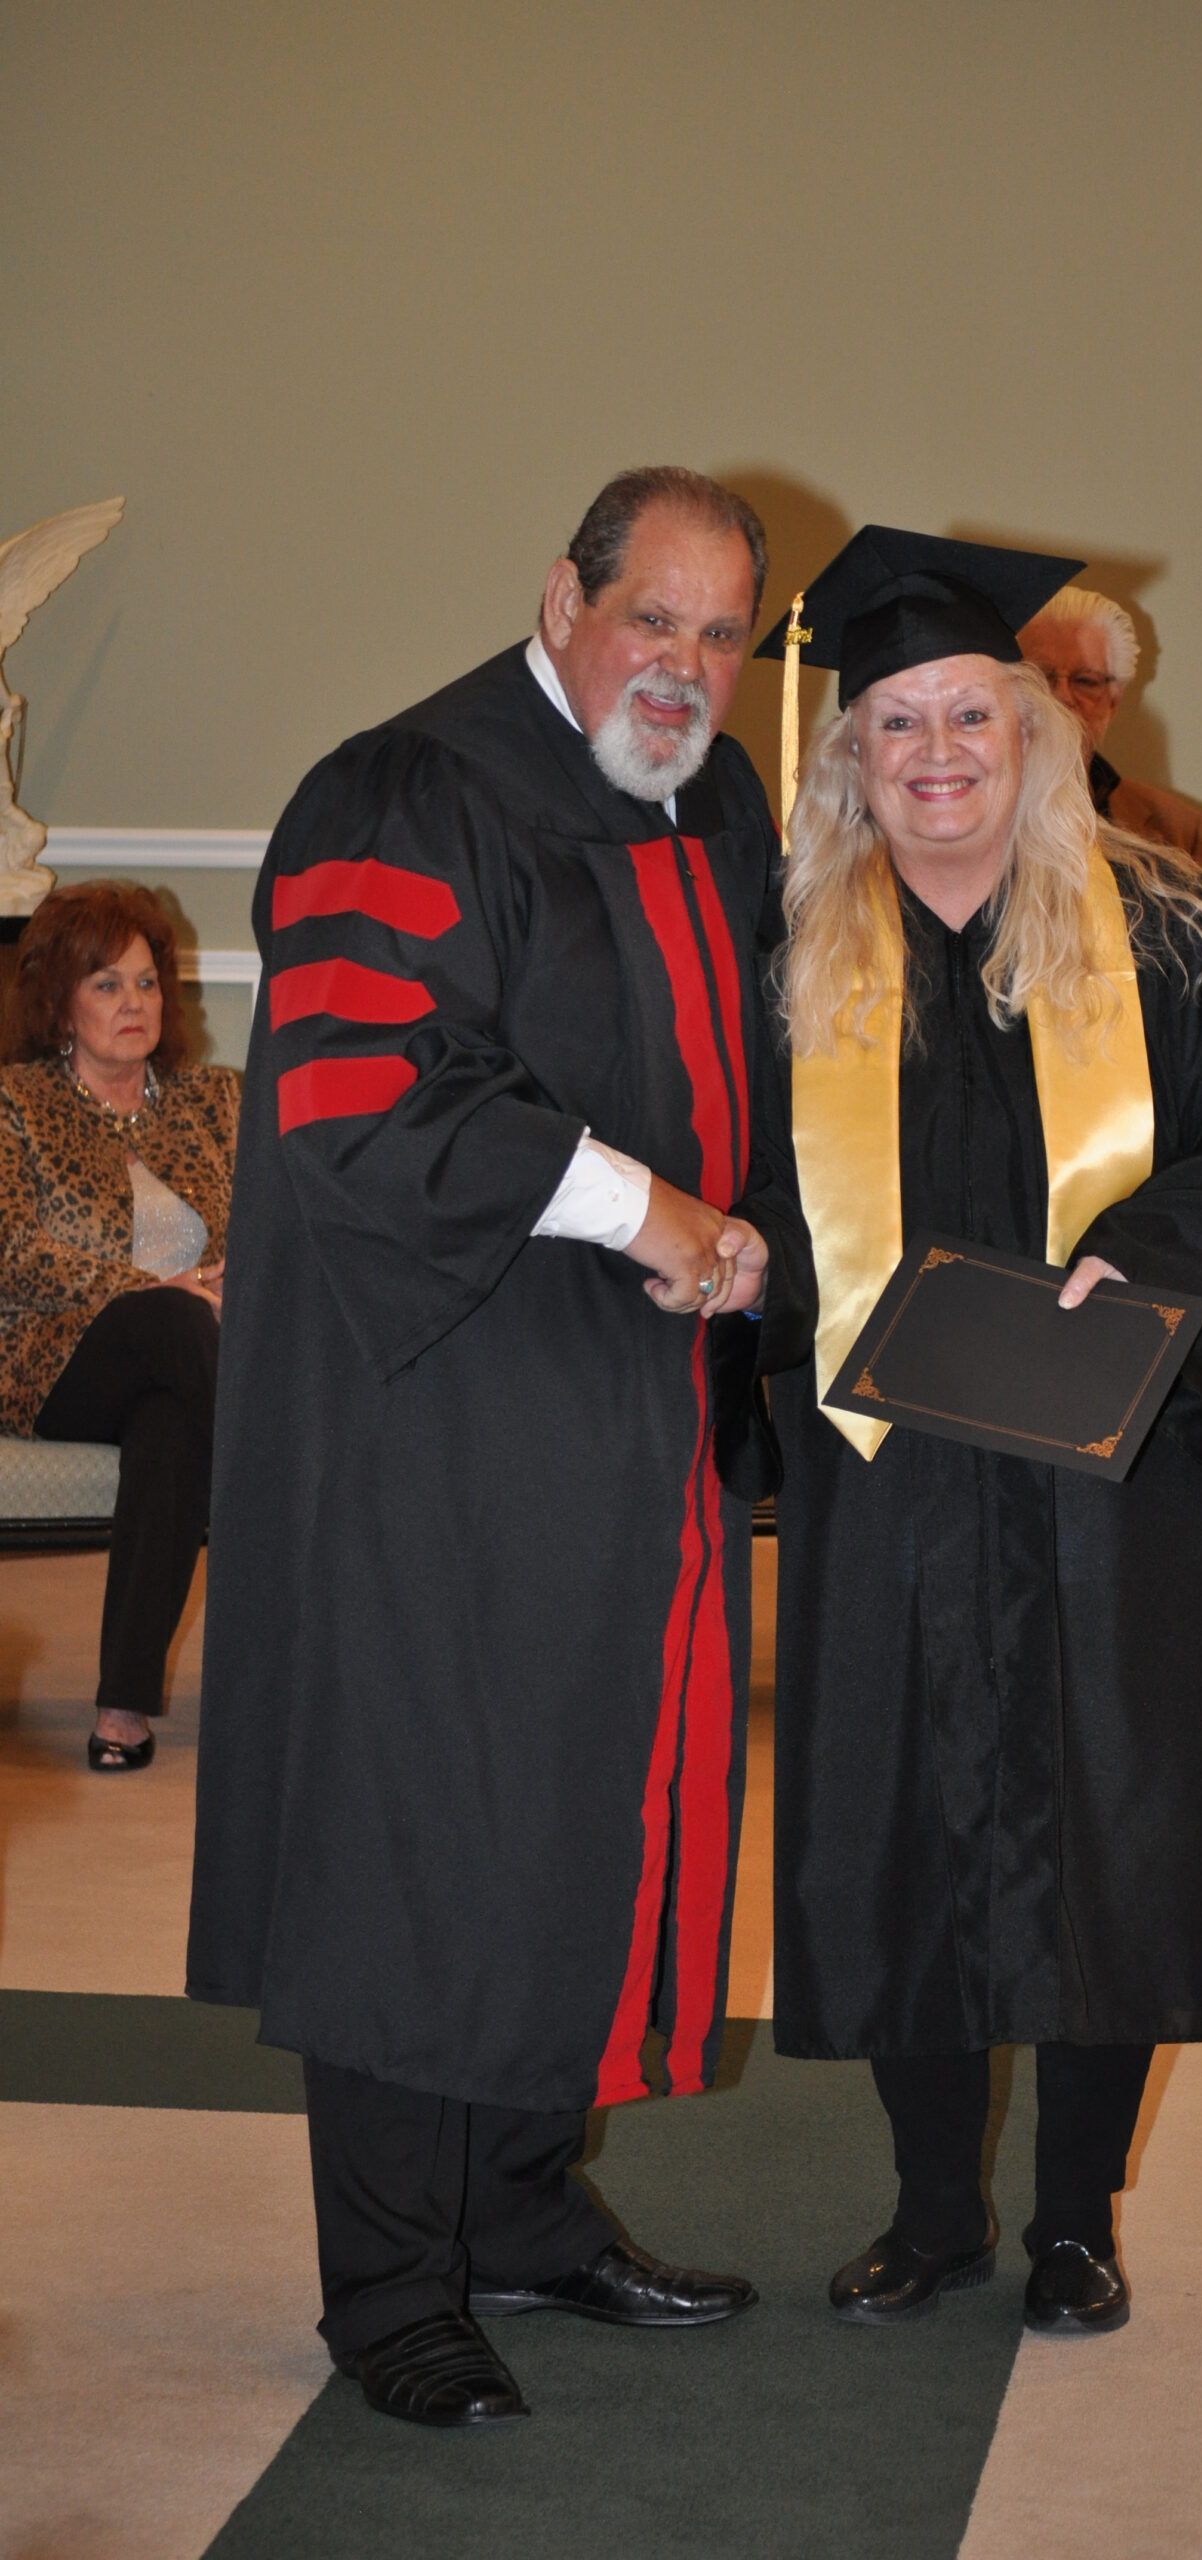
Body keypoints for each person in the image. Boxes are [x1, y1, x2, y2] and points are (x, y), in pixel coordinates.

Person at [187, 468, 807, 2430]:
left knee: (583, 1802)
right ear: (562, 596)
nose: (687, 669)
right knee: (418, 1830)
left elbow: (747, 1070)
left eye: (725, 636)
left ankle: (529, 2209)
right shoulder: (402, 793)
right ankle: (391, 2283)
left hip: (628, 1406)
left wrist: (760, 1236)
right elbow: (368, 1099)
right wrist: (653, 1217)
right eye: (655, 619)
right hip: (428, 1414)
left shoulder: (707, 800)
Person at [753, 529, 1202, 2335]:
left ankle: (1074, 2217)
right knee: (901, 1829)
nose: (936, 755)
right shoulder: (782, 948)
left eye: (969, 718)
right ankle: (935, 2212)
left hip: (1113, 1459)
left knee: (1109, 1827)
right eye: (898, 726)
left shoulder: (1169, 923)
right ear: (850, 755)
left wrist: (1146, 1264)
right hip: (895, 1467)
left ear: (1036, 734)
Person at [0, 881, 234, 1771]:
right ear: (58, 999)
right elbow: (15, 1251)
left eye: (144, 983)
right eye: (105, 984)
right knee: (173, 1321)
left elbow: (270, 1228)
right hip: (53, 1359)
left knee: (171, 1428)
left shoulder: (213, 1102)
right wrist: (160, 1284)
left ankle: (122, 1710)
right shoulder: (15, 1104)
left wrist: (229, 1282)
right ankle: (318, 1506)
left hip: (190, 1356)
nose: (132, 1004)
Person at [1019, 583, 1202, 872]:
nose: (1062, 697)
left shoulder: (1180, 830)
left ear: (1113, 702)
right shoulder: (961, 812)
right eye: (1041, 677)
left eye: (1086, 681)